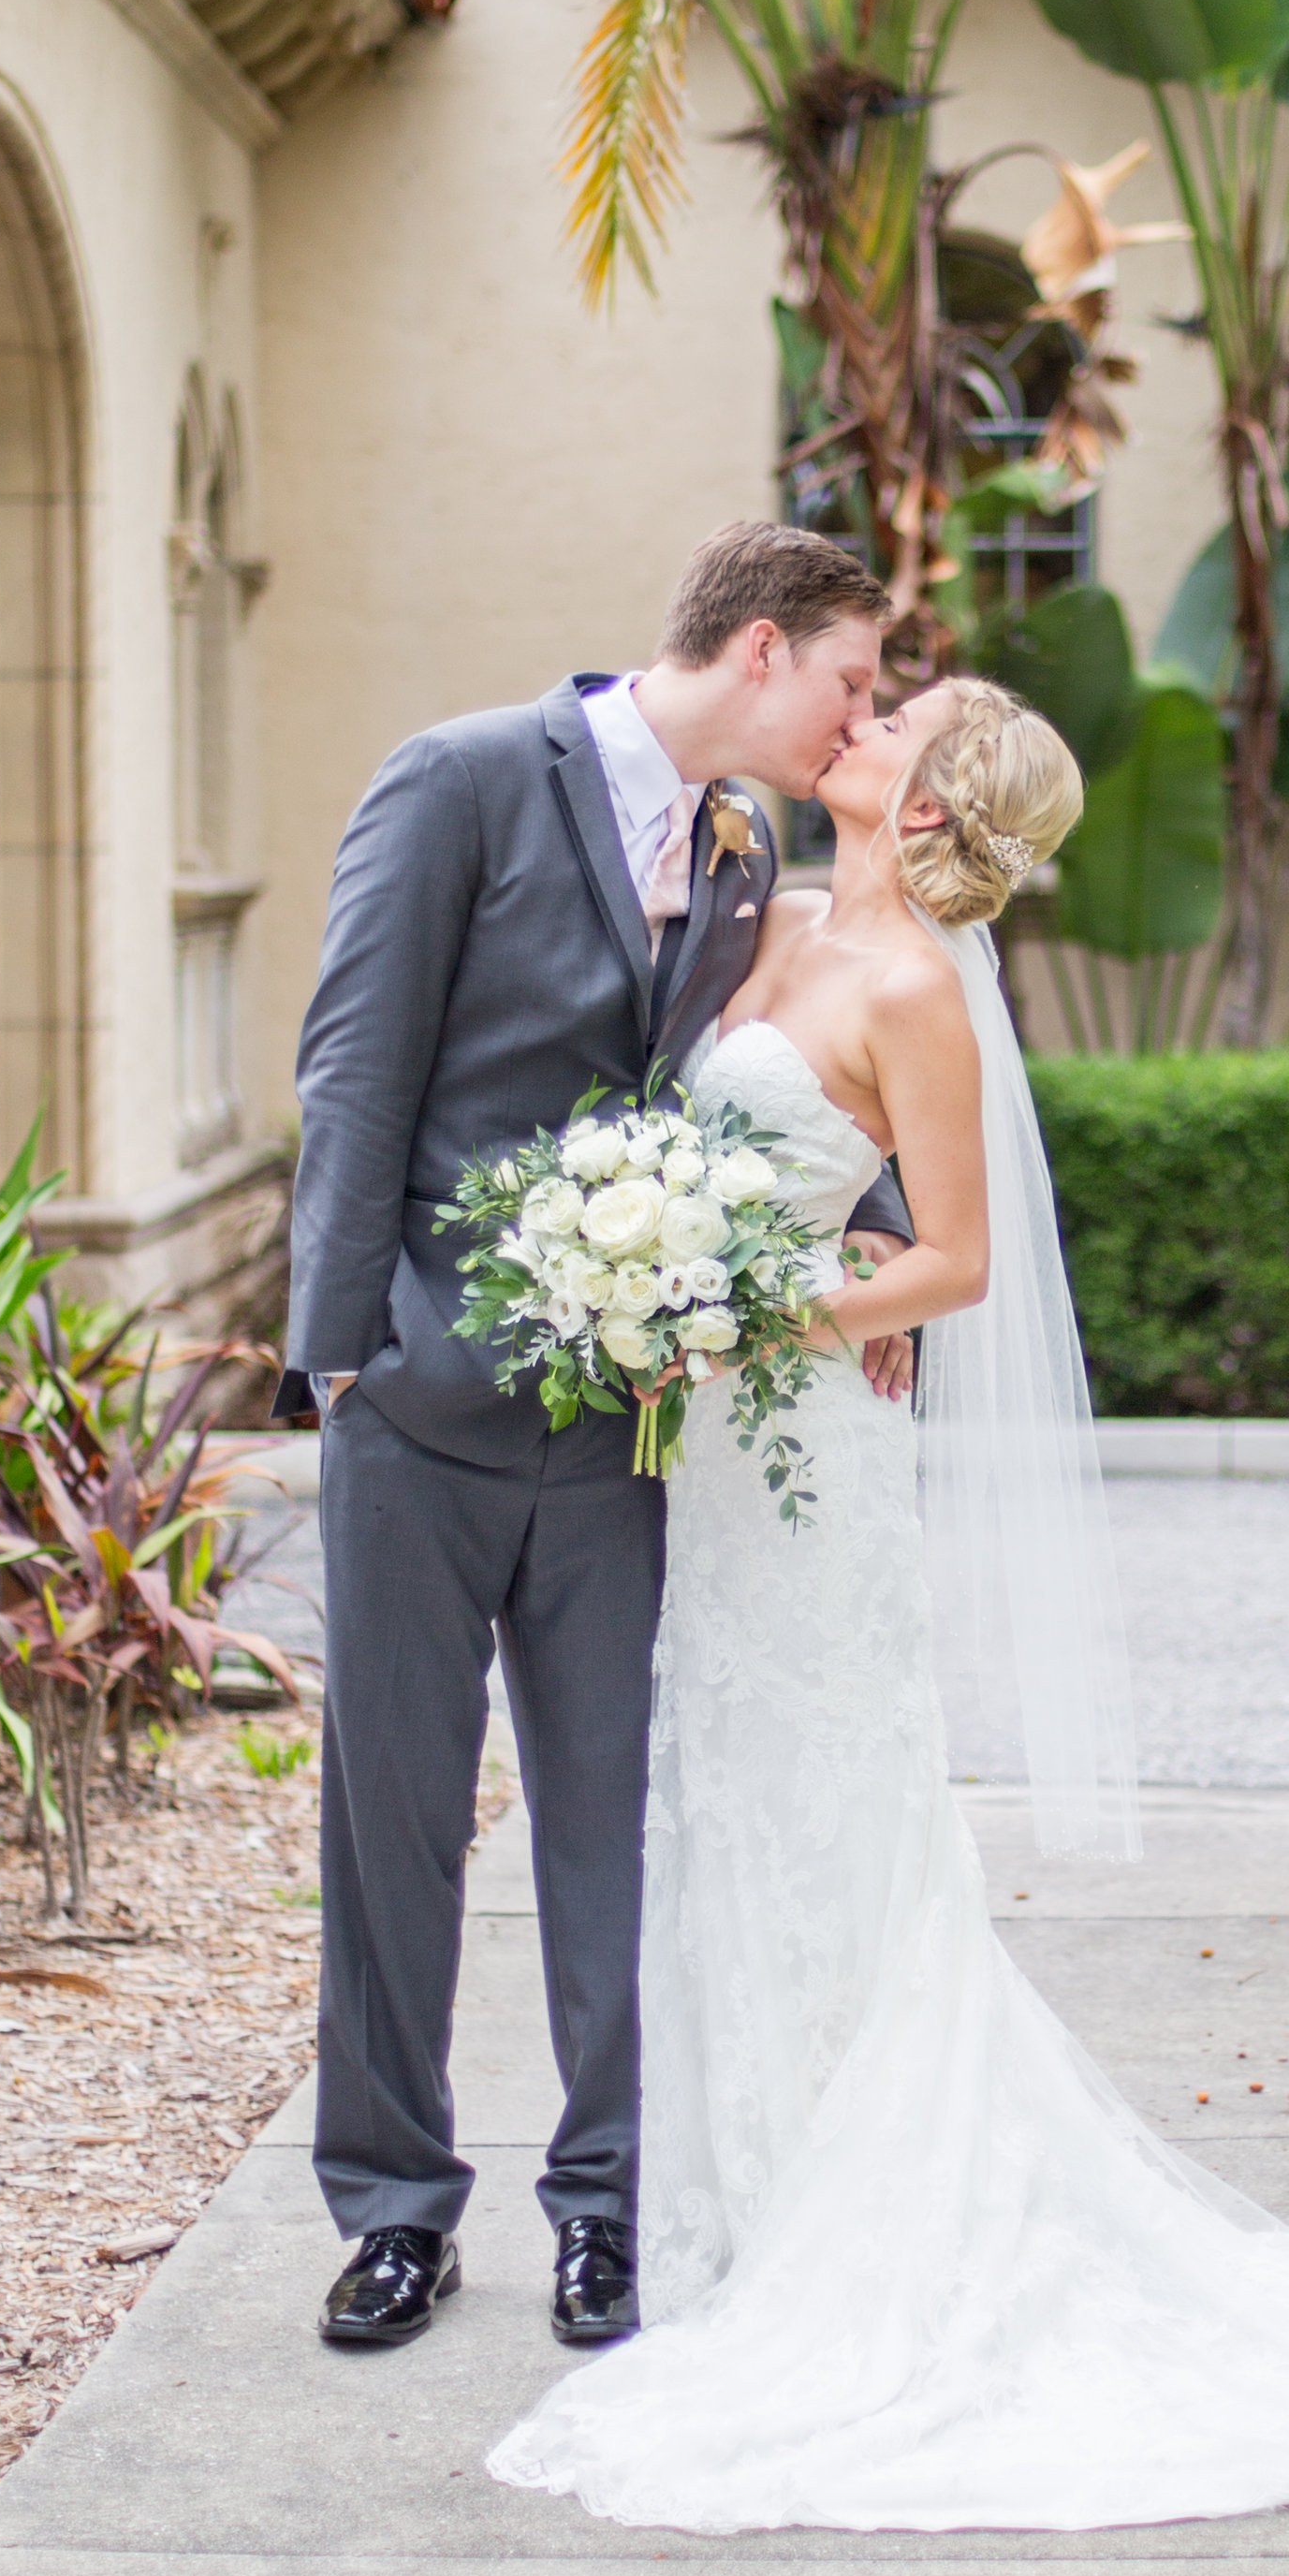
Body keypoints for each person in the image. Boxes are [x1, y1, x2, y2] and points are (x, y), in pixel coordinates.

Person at [486, 674, 1289, 2531]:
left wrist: (747, 1301)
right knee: (718, 1798)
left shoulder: (918, 991)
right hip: (702, 1454)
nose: (865, 710)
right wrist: (656, 1257)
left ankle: (837, 2226)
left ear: (927, 806)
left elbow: (955, 1260)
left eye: (903, 715)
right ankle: (734, 2209)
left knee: (824, 1799)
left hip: (804, 1461)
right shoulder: (758, 913)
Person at [282, 524, 915, 2355]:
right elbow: (354, 1068)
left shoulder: (740, 849)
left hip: (631, 1424)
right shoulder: (467, 778)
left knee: (615, 1827)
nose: (860, 718)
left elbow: (728, 1092)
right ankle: (394, 2208)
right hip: (415, 1404)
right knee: (391, 1820)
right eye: (855, 682)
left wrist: (843, 1234)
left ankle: (603, 2205)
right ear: (768, 649)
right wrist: (338, 1362)